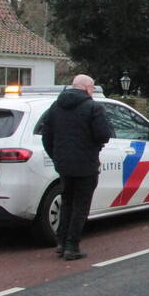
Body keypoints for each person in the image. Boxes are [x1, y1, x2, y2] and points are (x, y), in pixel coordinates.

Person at [41, 75, 112, 260]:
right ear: (88, 88)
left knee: (67, 202)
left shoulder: (56, 107)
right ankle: (72, 246)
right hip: (86, 163)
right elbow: (103, 135)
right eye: (93, 87)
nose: (93, 90)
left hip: (63, 164)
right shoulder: (94, 107)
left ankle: (61, 243)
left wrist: (56, 155)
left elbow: (46, 135)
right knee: (81, 205)